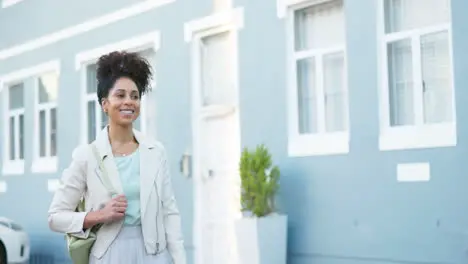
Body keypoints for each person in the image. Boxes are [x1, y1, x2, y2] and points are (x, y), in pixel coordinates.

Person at [48, 51, 186, 264]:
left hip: (154, 254)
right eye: (120, 95)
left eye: (135, 96)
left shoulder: (155, 152)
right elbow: (55, 217)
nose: (129, 102)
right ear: (105, 104)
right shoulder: (87, 156)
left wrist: (179, 260)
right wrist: (99, 216)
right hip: (109, 254)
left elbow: (170, 213)